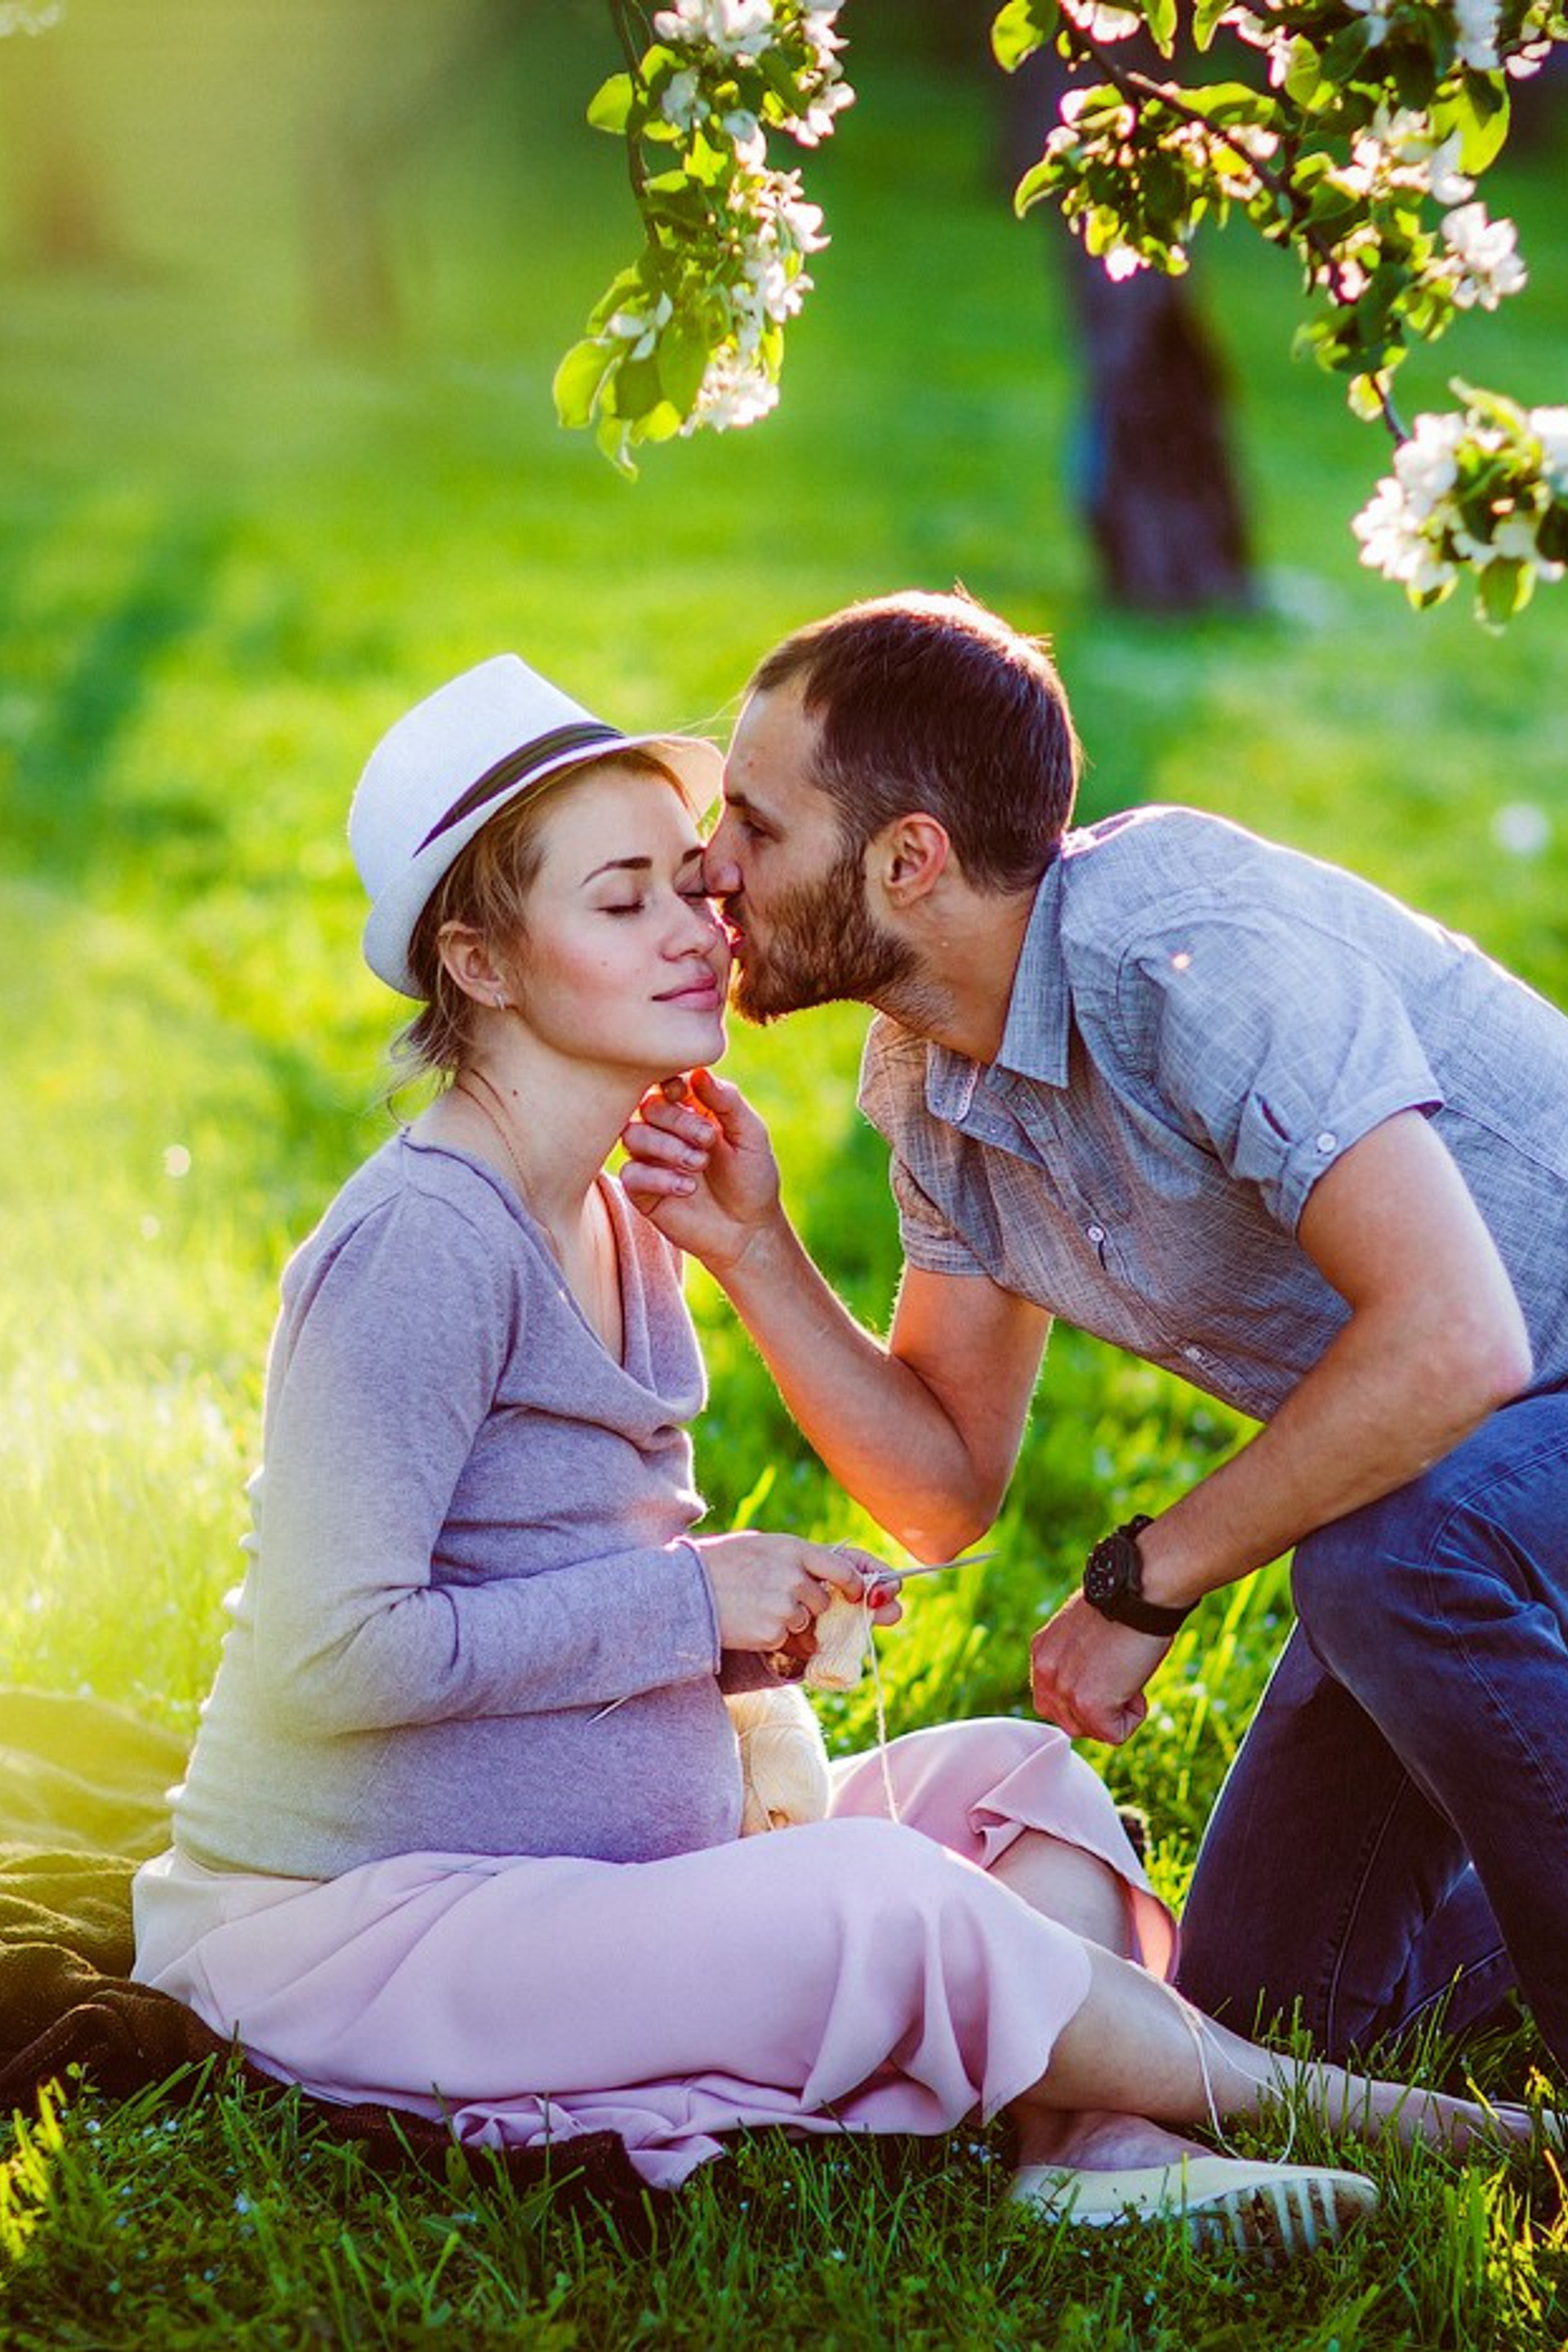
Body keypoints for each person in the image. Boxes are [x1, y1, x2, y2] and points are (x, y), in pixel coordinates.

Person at [129, 653, 1532, 2249]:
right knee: (892, 1901)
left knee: (1021, 1781)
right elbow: (327, 1657)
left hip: (589, 1860)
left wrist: (741, 1579)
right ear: (484, 962)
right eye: (626, 900)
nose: (700, 918)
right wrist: (693, 1608)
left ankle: (1101, 2151)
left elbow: (586, 1570)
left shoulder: (618, 1197)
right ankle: (1436, 2131)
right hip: (371, 1919)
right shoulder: (422, 1243)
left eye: (697, 869)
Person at [619, 587, 1568, 2081]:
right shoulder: (935, 1079)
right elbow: (942, 1490)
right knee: (1274, 2023)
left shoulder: (1184, 952)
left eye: (753, 821)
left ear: (908, 858)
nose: (709, 867)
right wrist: (754, 1251)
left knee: (1396, 1560)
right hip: (1460, 1482)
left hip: (1481, 1458)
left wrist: (1144, 1584)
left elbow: (1459, 1344)